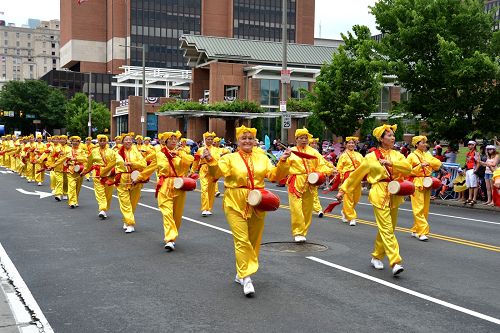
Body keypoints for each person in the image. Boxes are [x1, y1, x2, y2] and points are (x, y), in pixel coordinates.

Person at [205, 125, 289, 297]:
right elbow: (217, 172)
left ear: (255, 141)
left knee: (254, 240)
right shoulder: (229, 158)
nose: (247, 141)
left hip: (257, 200)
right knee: (242, 239)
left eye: (250, 138)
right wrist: (210, 161)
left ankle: (240, 273)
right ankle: (247, 277)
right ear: (237, 141)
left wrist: (283, 161)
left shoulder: (262, 158)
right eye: (244, 138)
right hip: (235, 201)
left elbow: (274, 176)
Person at [337, 124, 411, 276]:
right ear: (381, 139)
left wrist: (392, 163)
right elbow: (355, 176)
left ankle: (377, 256)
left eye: (392, 135)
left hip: (395, 191)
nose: (392, 137)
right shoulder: (370, 157)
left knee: (389, 228)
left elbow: (408, 168)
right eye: (389, 135)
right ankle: (395, 261)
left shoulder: (398, 155)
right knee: (386, 228)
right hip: (379, 192)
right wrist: (343, 190)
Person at [136, 131, 194, 251]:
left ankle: (172, 236)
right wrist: (139, 178)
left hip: (179, 185)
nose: (173, 141)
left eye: (175, 139)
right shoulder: (160, 154)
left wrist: (180, 154)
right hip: (165, 185)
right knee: (166, 212)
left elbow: (189, 162)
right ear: (165, 141)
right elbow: (150, 168)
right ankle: (170, 238)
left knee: (177, 215)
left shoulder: (181, 153)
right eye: (171, 139)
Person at [282, 128, 335, 242]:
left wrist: (329, 170)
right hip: (296, 181)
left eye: (306, 138)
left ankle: (303, 232)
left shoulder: (313, 151)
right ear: (296, 139)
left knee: (307, 209)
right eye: (301, 138)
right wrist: (283, 159)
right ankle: (298, 232)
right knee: (296, 208)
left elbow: (321, 164)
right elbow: (283, 166)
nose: (304, 140)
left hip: (310, 181)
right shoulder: (291, 151)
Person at [406, 136, 442, 241]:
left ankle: (415, 229)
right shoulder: (411, 156)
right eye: (422, 142)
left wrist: (429, 163)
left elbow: (438, 164)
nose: (424, 144)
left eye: (425, 143)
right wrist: (420, 166)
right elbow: (407, 170)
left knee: (425, 208)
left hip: (427, 182)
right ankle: (422, 232)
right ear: (416, 144)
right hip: (416, 182)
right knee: (418, 208)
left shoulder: (428, 154)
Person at [114, 133, 147, 233]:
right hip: (122, 179)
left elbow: (143, 164)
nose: (128, 141)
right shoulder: (117, 152)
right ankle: (130, 223)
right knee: (125, 202)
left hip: (135, 179)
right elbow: (112, 164)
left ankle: (126, 219)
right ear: (122, 141)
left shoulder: (136, 152)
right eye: (126, 140)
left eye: (130, 140)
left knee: (133, 203)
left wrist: (132, 164)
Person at [83, 134, 116, 219]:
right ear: (98, 141)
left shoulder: (111, 152)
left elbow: (115, 163)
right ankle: (102, 209)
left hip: (109, 175)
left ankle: (105, 209)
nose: (102, 142)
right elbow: (89, 163)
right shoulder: (94, 152)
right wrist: (85, 171)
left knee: (108, 194)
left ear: (107, 141)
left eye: (104, 140)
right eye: (100, 141)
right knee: (100, 192)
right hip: (97, 174)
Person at [336, 136, 364, 226]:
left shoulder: (359, 155)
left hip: (357, 177)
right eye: (349, 143)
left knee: (356, 197)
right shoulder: (343, 156)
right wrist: (341, 179)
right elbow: (339, 168)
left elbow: (363, 167)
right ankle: (352, 217)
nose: (351, 144)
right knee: (348, 197)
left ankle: (345, 211)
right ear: (346, 144)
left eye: (353, 143)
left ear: (355, 144)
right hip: (347, 177)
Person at [191, 131, 221, 217]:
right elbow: (196, 161)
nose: (210, 141)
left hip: (213, 170)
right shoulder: (201, 149)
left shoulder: (216, 150)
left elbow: (218, 160)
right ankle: (204, 208)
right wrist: (192, 170)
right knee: (204, 189)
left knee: (211, 191)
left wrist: (210, 157)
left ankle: (209, 208)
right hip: (204, 170)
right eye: (208, 139)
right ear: (205, 140)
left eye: (211, 139)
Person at [66, 136, 87, 208]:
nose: (75, 142)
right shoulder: (68, 150)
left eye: (77, 141)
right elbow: (63, 159)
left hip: (80, 170)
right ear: (71, 142)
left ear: (79, 142)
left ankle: (76, 200)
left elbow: (85, 159)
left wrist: (76, 158)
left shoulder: (82, 151)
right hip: (70, 170)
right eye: (73, 141)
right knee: (71, 186)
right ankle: (71, 202)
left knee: (78, 187)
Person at [309, 137, 325, 217]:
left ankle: (318, 209)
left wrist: (331, 168)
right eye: (312, 143)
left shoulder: (316, 152)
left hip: (313, 175)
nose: (314, 144)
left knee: (314, 193)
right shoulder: (305, 151)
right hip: (303, 176)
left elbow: (323, 162)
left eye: (315, 143)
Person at [464, 141, 480, 206]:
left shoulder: (476, 153)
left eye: (471, 145)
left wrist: (476, 170)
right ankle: (470, 198)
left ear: (474, 145)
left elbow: (478, 162)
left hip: (473, 169)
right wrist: (465, 169)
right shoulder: (468, 153)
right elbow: (466, 161)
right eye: (468, 145)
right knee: (469, 185)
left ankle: (474, 199)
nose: (469, 146)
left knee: (474, 185)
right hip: (468, 169)